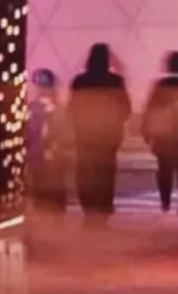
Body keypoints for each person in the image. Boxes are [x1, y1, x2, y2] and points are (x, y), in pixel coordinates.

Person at [68, 45, 133, 222]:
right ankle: (104, 207)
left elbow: (72, 109)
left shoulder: (79, 81)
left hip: (85, 136)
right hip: (108, 137)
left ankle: (88, 206)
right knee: (106, 172)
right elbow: (126, 109)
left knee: (85, 172)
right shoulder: (115, 81)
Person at [142, 51, 178, 212]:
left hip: (164, 135)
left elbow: (150, 109)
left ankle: (165, 202)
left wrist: (146, 131)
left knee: (164, 169)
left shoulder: (160, 85)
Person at [25, 69, 70, 213]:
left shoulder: (33, 109)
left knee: (44, 184)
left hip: (42, 154)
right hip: (47, 155)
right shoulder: (57, 110)